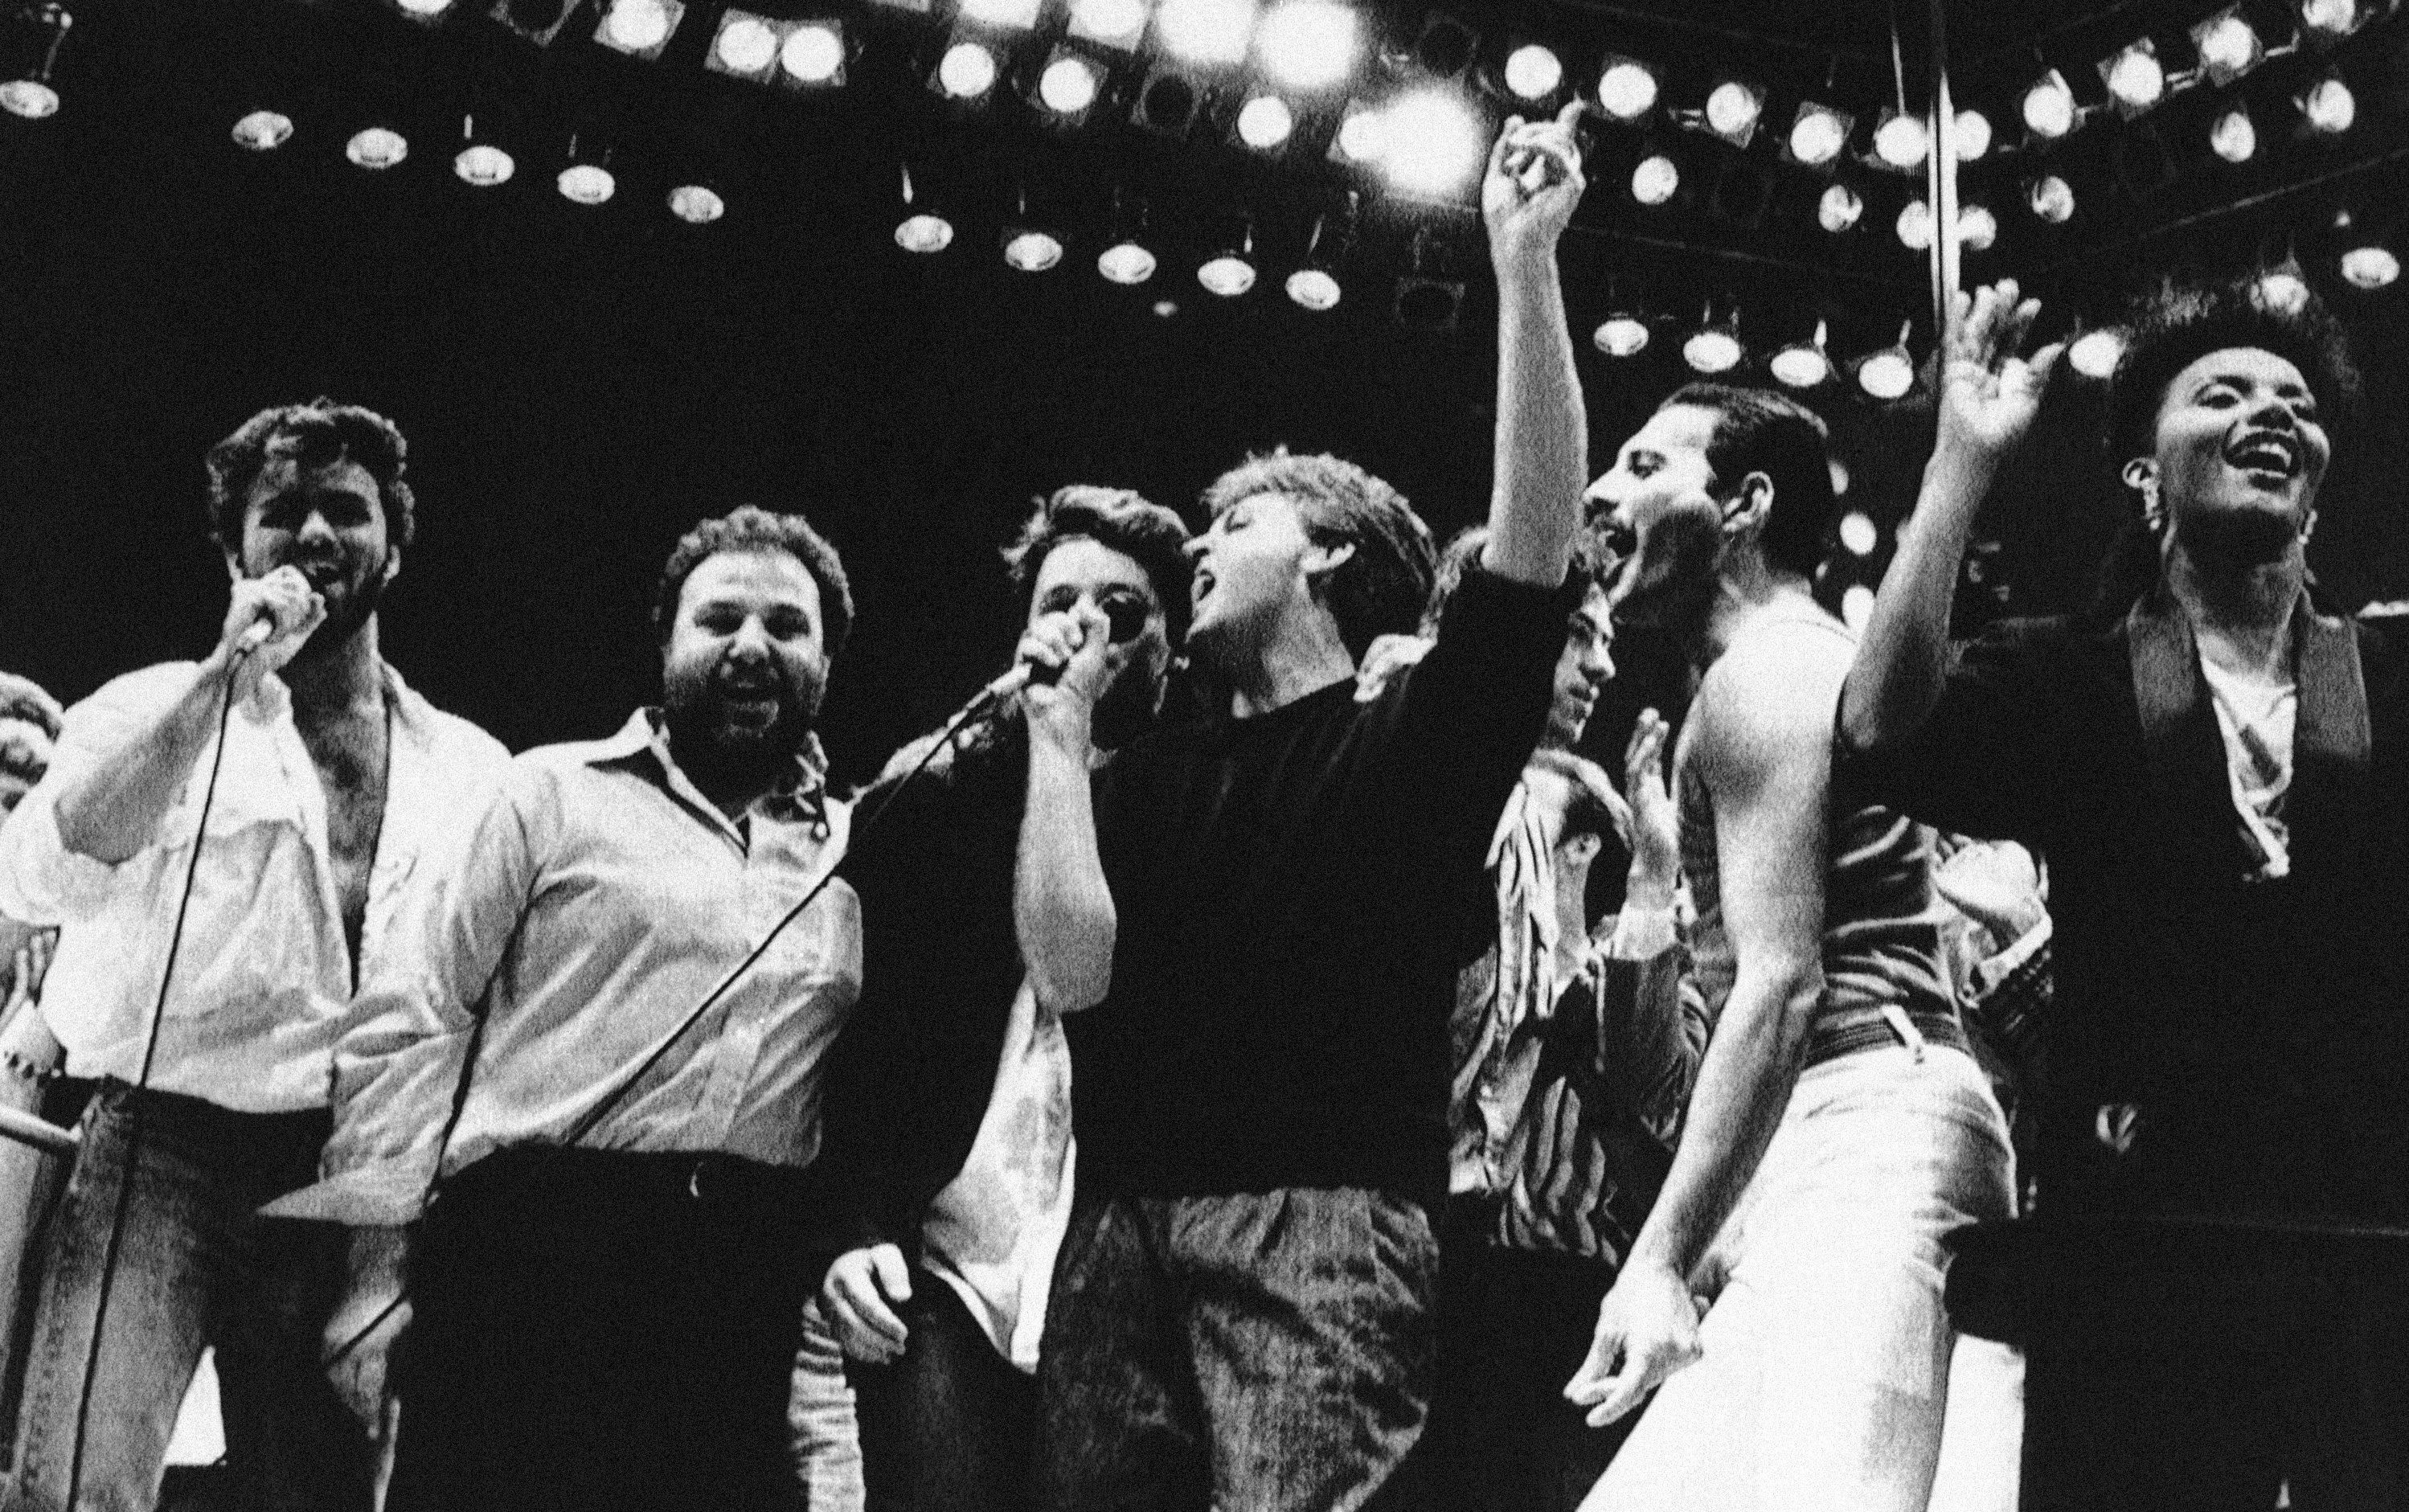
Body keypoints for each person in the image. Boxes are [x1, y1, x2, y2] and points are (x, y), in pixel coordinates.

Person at [1030, 104, 1594, 1512]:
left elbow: (1530, 552)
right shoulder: (1138, 770)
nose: (1201, 545)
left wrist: (1521, 266)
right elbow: (1070, 969)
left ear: (1329, 550)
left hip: (1322, 1225)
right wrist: (1054, 740)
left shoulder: (1408, 733)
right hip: (1115, 1226)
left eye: (1238, 521)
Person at [1840, 276, 2409, 1509]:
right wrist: (1957, 470)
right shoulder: (2071, 674)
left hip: (2366, 1247)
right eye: (2224, 393)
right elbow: (1883, 733)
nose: (2270, 412)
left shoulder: (2390, 673)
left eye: (2295, 402)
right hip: (2139, 1245)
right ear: (2145, 476)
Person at [276, 504, 867, 1511]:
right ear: (666, 639)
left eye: (787, 626)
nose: (751, 647)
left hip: (735, 1291)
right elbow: (414, 1020)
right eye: (720, 620)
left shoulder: (854, 857)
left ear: (826, 662)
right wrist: (375, 1277)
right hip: (528, 1263)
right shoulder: (547, 793)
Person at [0, 400, 510, 1512]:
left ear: (395, 542)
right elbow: (35, 875)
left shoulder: (472, 770)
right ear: (237, 546)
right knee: (79, 1490)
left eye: (347, 509)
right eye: (283, 513)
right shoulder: (146, 707)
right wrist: (216, 685)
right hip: (159, 1146)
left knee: (319, 1498)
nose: (317, 535)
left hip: (350, 1174)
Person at [1562, 376, 2017, 1512]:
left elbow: (1781, 986)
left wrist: (1659, 1252)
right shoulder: (1759, 678)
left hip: (1870, 1132)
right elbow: (1680, 1056)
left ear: (1745, 504)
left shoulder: (1767, 672)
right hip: (1839, 1133)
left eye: (1643, 465)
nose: (1601, 492)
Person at [816, 485, 1191, 1512]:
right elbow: (859, 1032)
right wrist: (850, 1230)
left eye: (1124, 610)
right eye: (1060, 600)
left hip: (1120, 1277)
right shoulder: (944, 791)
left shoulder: (1199, 800)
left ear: (1174, 647)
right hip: (946, 1259)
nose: (1086, 627)